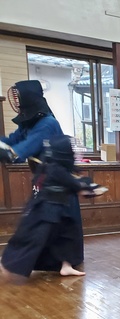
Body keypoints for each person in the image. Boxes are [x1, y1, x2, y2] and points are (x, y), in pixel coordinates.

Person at [1, 135, 99, 283]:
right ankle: (8, 265)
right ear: (64, 153)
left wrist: (86, 187)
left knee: (68, 237)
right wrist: (88, 188)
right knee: (34, 240)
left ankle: (66, 266)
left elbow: (72, 185)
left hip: (59, 211)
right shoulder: (55, 169)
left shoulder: (53, 166)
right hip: (47, 212)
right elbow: (73, 184)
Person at [0, 80, 63, 164]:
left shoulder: (47, 124)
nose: (16, 103)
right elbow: (13, 140)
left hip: (56, 170)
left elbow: (27, 147)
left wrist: (10, 153)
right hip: (41, 170)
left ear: (28, 99)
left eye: (18, 98)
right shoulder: (29, 123)